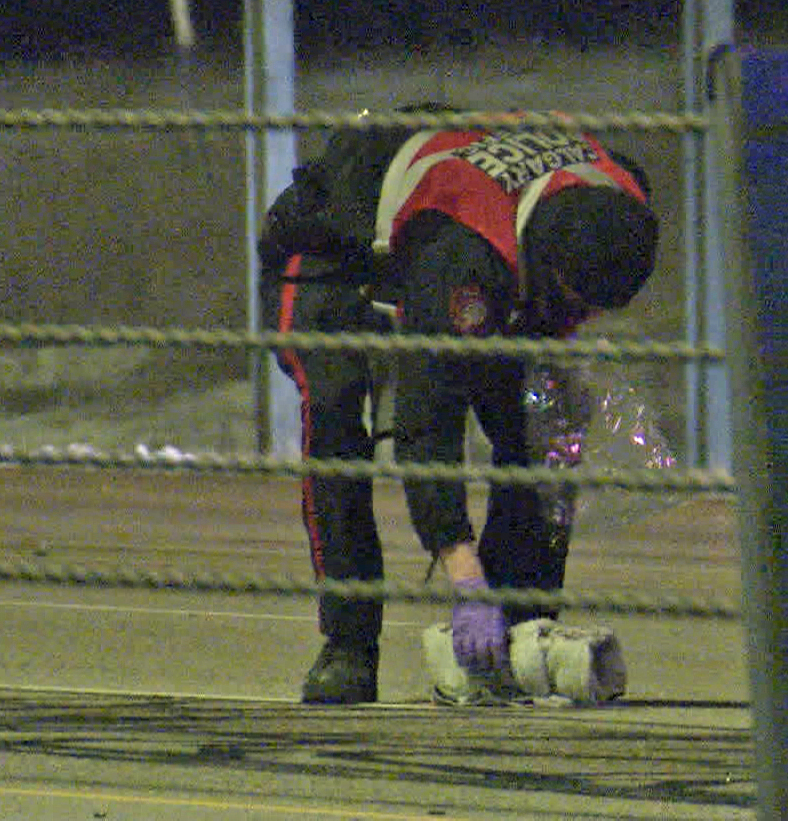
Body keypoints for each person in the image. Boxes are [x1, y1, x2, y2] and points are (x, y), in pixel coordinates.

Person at [259, 106, 659, 704]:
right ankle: (348, 645)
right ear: (544, 264)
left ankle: (520, 627)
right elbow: (427, 423)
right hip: (330, 248)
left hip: (446, 223)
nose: (583, 321)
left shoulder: (621, 196)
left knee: (543, 420)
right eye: (576, 305)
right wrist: (466, 578)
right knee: (338, 413)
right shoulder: (467, 257)